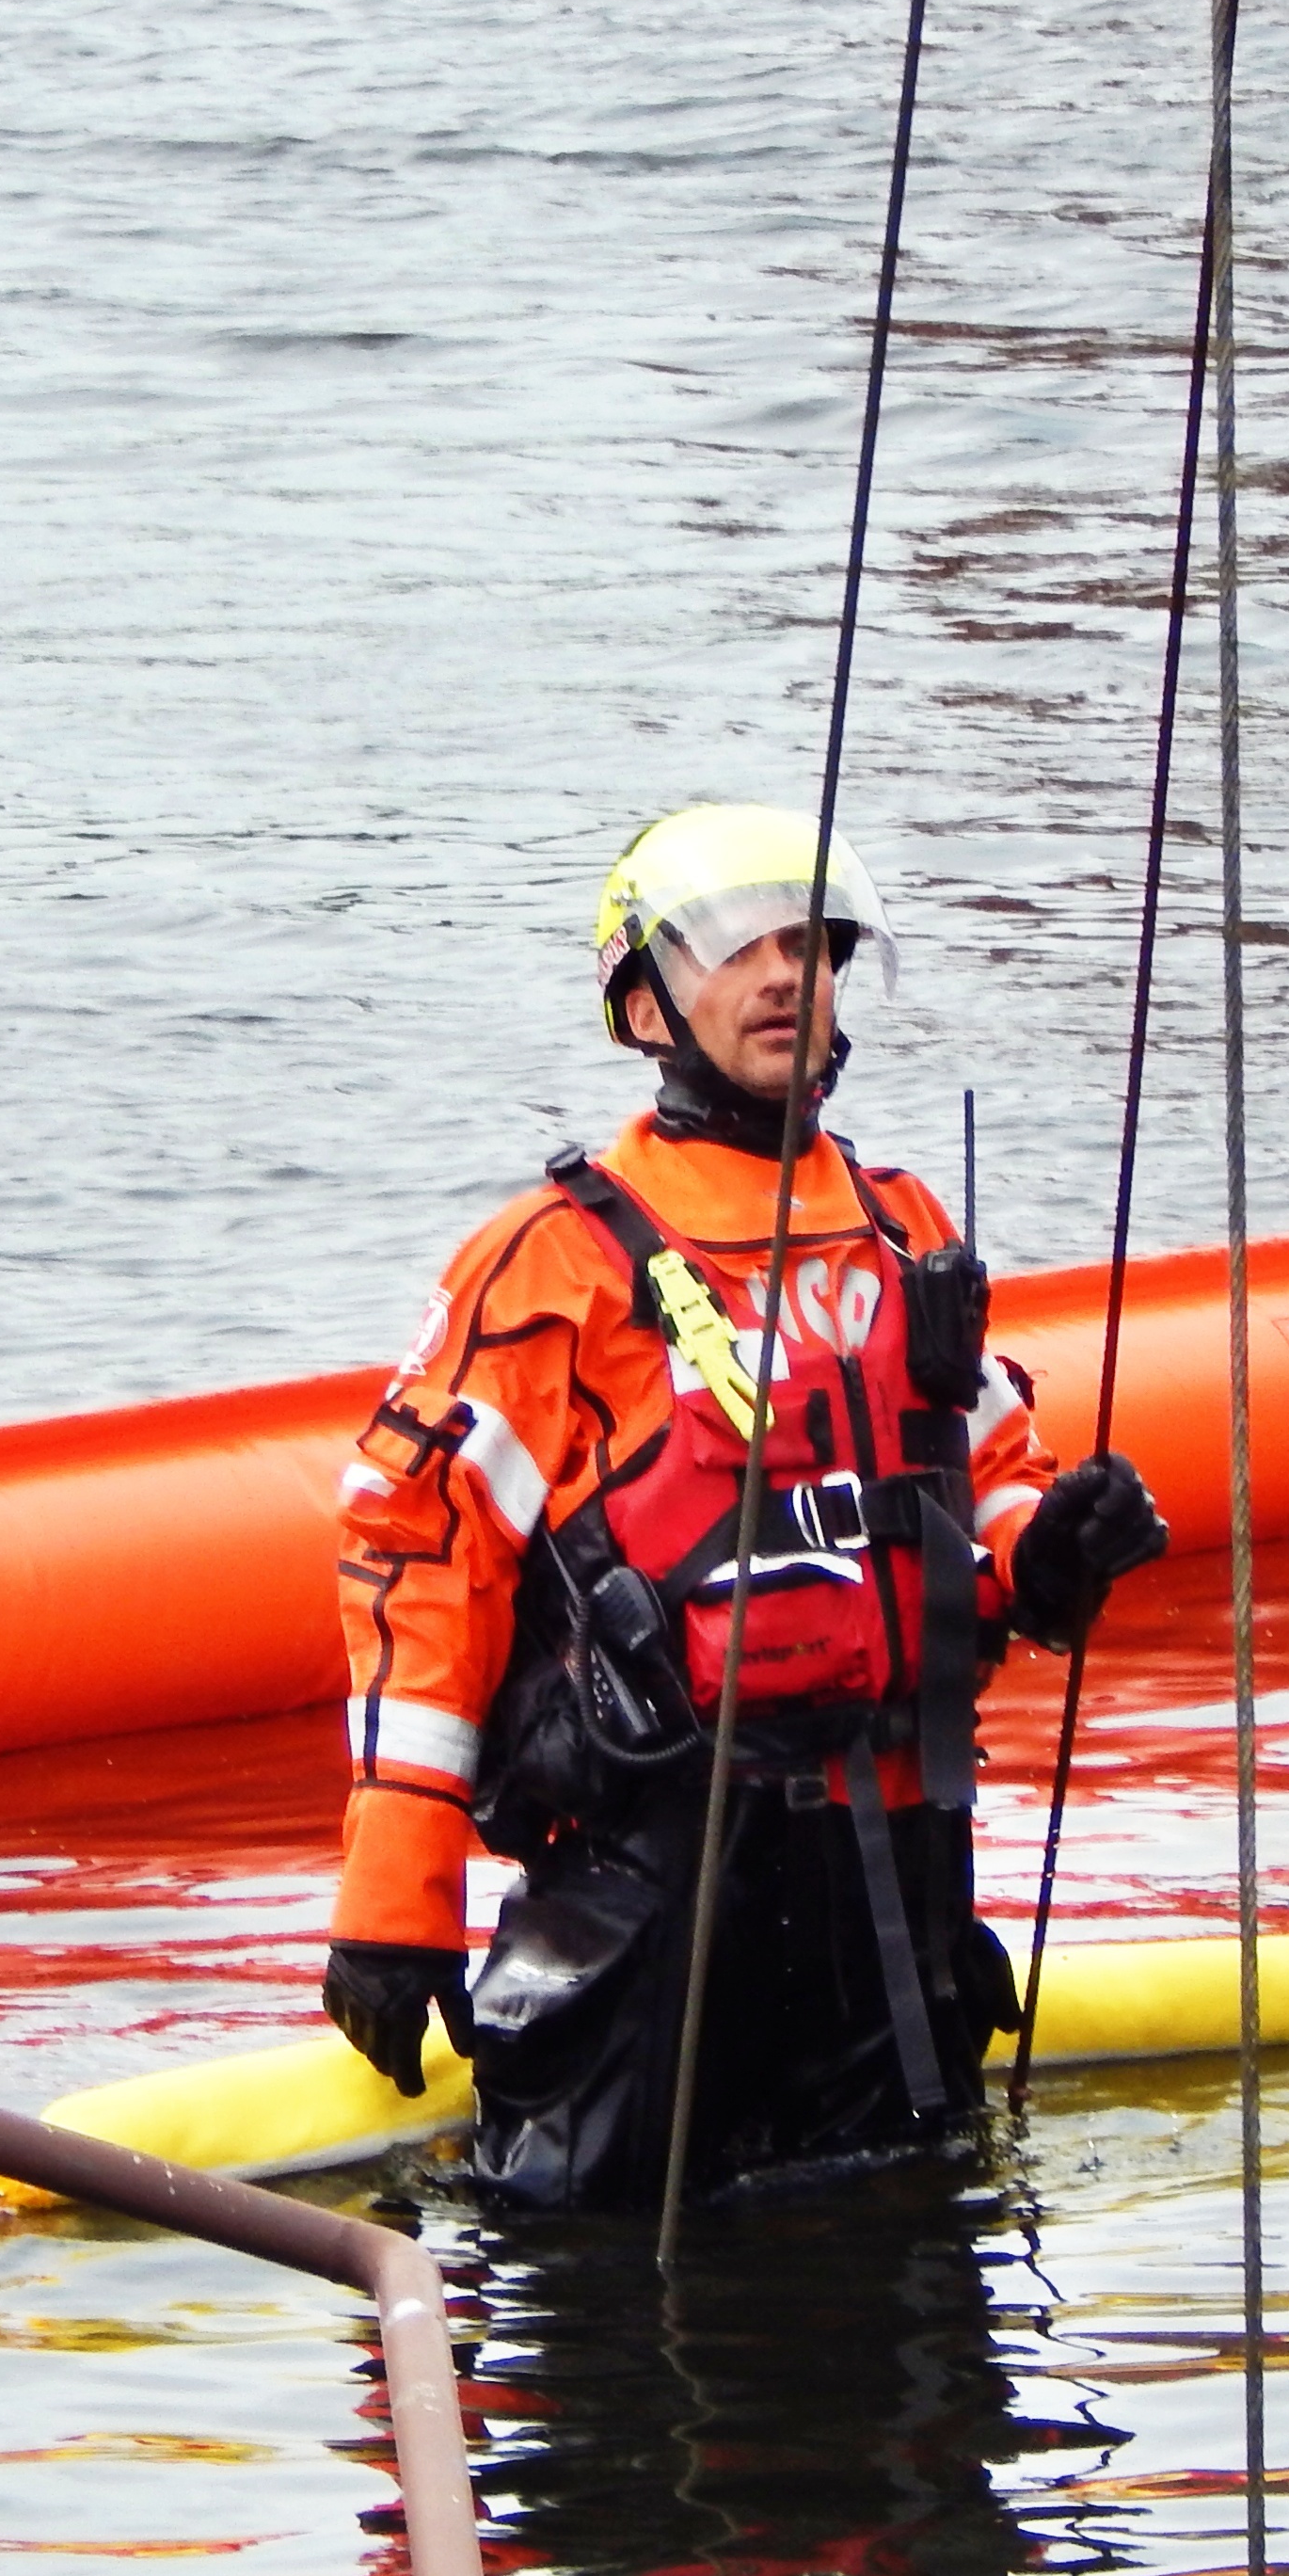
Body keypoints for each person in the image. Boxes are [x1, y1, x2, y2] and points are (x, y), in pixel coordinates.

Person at [321, 804, 1167, 2207]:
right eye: (738, 949)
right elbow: (418, 1560)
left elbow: (988, 1491)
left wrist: (1052, 1555)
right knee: (604, 2324)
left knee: (923, 2310)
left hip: (898, 1901)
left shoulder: (905, 1232)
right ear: (644, 1002)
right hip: (654, 1912)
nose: (786, 976)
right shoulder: (555, 1266)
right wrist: (395, 1899)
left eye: (811, 946)